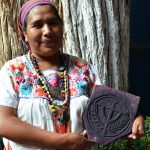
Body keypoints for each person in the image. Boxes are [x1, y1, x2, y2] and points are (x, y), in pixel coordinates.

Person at [0, 0, 144, 150]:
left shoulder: (83, 69)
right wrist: (59, 141)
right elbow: (3, 122)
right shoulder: (13, 71)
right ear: (24, 34)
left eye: (53, 22)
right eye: (37, 25)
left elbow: (104, 112)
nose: (47, 31)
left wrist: (132, 119)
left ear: (61, 28)